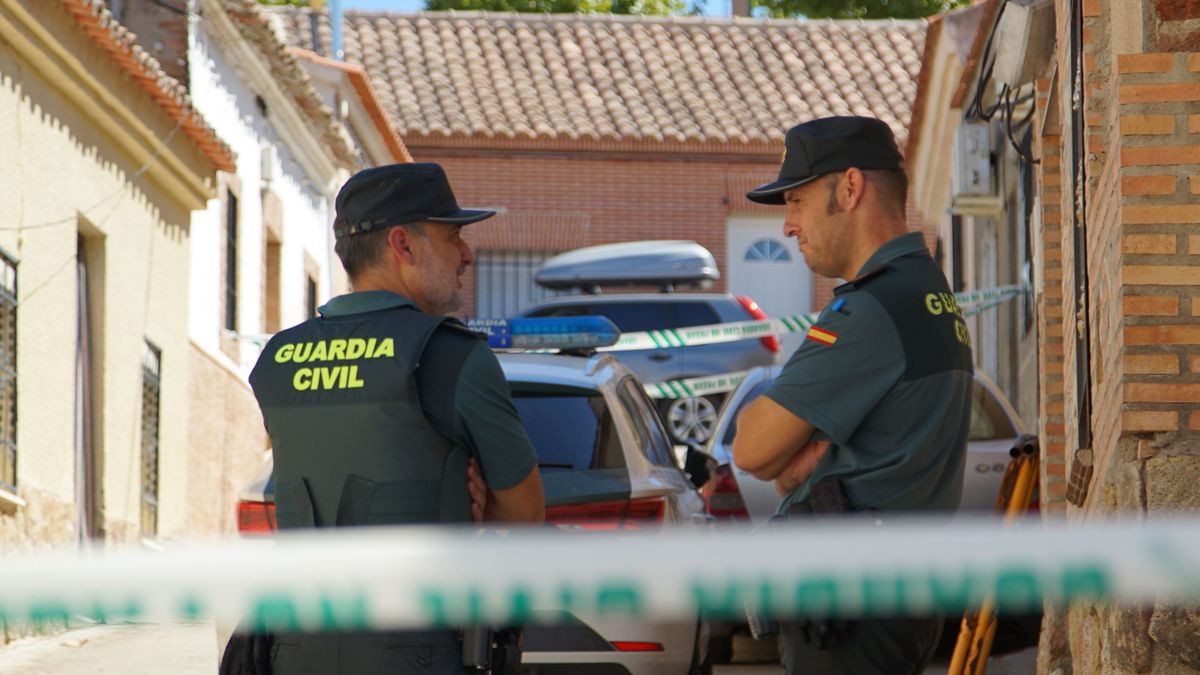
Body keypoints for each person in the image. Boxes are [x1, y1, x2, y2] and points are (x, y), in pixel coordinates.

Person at [247, 162, 545, 674]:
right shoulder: (453, 356)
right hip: (417, 648)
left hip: (295, 649)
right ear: (403, 245)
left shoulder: (277, 359)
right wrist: (471, 508)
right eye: (453, 236)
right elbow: (524, 512)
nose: (467, 254)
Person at [732, 116, 974, 674]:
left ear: (849, 187)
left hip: (850, 604)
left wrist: (793, 457)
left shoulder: (870, 308)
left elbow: (750, 449)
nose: (789, 226)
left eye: (796, 202)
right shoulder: (927, 291)